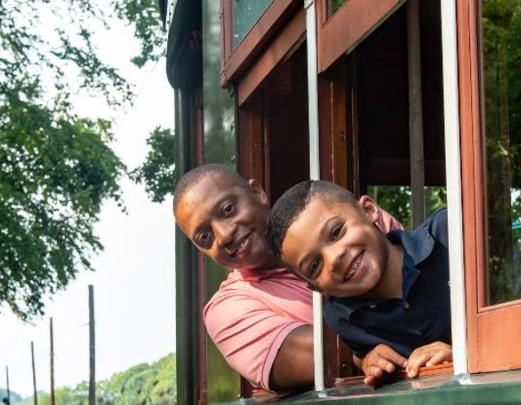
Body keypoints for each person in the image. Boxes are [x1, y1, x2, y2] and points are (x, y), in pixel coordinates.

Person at [173, 165, 401, 393]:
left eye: (228, 209)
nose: (224, 235)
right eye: (205, 236)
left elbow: (423, 278)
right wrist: (361, 353)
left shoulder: (343, 218)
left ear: (257, 193)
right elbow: (321, 354)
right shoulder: (226, 310)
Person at [266, 180, 452, 387]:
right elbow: (363, 354)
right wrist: (367, 360)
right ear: (316, 287)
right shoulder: (343, 318)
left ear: (369, 210)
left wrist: (463, 354)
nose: (334, 258)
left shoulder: (449, 232)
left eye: (337, 232)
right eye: (315, 265)